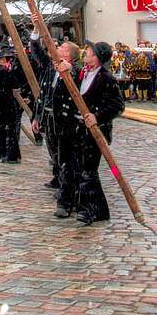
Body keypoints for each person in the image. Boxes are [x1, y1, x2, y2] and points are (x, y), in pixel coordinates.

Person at [55, 40, 125, 226]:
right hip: (79, 131)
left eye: (90, 51)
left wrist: (98, 116)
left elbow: (118, 106)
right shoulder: (83, 72)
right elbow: (72, 90)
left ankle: (87, 211)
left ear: (97, 57)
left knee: (88, 172)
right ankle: (101, 210)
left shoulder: (106, 78)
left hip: (96, 133)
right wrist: (66, 72)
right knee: (83, 170)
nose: (86, 53)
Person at [32, 40, 82, 191]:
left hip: (63, 117)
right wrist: (36, 116)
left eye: (62, 47)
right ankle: (57, 175)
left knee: (63, 152)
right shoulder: (51, 65)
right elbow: (37, 52)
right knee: (52, 147)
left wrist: (70, 69)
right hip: (48, 114)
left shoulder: (75, 69)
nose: (58, 48)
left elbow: (78, 73)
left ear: (67, 54)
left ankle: (65, 182)